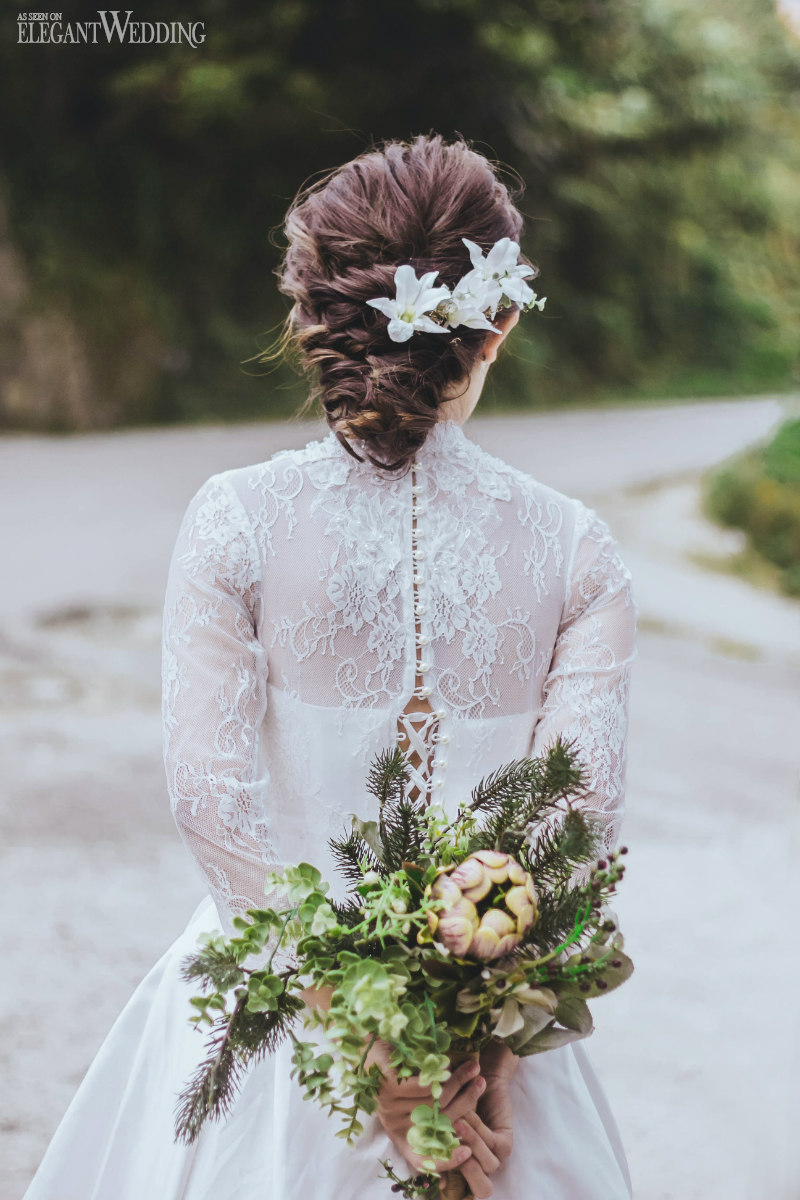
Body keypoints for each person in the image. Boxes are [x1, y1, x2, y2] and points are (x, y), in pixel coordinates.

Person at [23, 134, 636, 1200]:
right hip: (488, 1079)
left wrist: (371, 1055)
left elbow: (212, 801)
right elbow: (572, 825)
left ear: (311, 317)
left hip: (275, 1034)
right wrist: (467, 1059)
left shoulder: (236, 524)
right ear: (499, 324)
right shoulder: (576, 552)